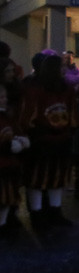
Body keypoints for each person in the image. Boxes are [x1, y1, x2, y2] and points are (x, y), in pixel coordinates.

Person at [20, 53, 79, 230]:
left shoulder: (66, 89)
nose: (64, 70)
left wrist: (70, 130)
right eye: (60, 67)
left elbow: (72, 112)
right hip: (41, 140)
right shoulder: (34, 88)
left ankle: (55, 211)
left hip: (60, 139)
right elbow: (28, 115)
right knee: (37, 180)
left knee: (57, 178)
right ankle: (37, 214)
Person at [0, 84, 29, 238]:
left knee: (8, 198)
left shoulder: (7, 117)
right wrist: (8, 145)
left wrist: (19, 140)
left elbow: (16, 131)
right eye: (1, 97)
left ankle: (3, 224)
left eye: (5, 97)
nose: (5, 100)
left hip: (8, 165)